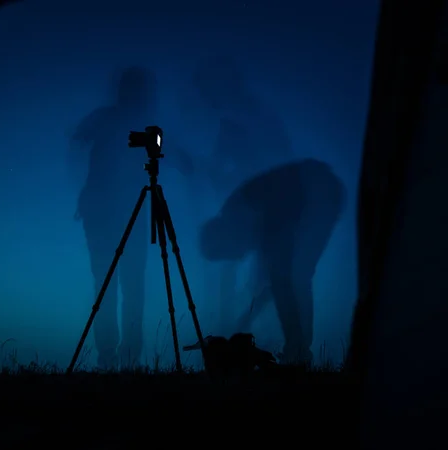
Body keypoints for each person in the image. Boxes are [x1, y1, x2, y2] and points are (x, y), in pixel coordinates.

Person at [68, 66, 193, 369]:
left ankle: (120, 357)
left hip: (117, 213)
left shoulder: (127, 123)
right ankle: (116, 357)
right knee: (119, 284)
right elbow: (79, 138)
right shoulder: (112, 120)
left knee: (121, 284)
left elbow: (80, 138)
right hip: (103, 213)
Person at [198, 158, 346, 363]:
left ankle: (297, 352)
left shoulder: (244, 215)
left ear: (223, 237)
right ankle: (298, 351)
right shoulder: (244, 216)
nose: (240, 258)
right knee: (296, 276)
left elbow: (278, 277)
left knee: (297, 276)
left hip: (317, 192)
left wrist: (247, 318)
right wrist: (247, 317)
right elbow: (272, 280)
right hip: (321, 191)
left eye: (229, 253)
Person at [190, 55, 294, 334]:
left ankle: (257, 334)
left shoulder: (252, 117)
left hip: (262, 213)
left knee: (264, 274)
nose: (207, 99)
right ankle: (237, 333)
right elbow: (220, 165)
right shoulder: (234, 121)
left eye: (208, 91)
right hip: (244, 213)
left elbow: (278, 160)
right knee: (243, 275)